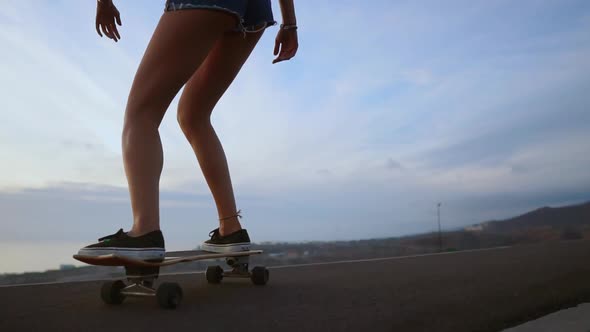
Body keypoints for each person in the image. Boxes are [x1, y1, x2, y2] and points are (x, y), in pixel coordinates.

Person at [77, 0, 298, 260]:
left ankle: (144, 231)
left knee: (141, 113)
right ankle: (231, 228)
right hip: (255, 7)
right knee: (193, 114)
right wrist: (290, 24)